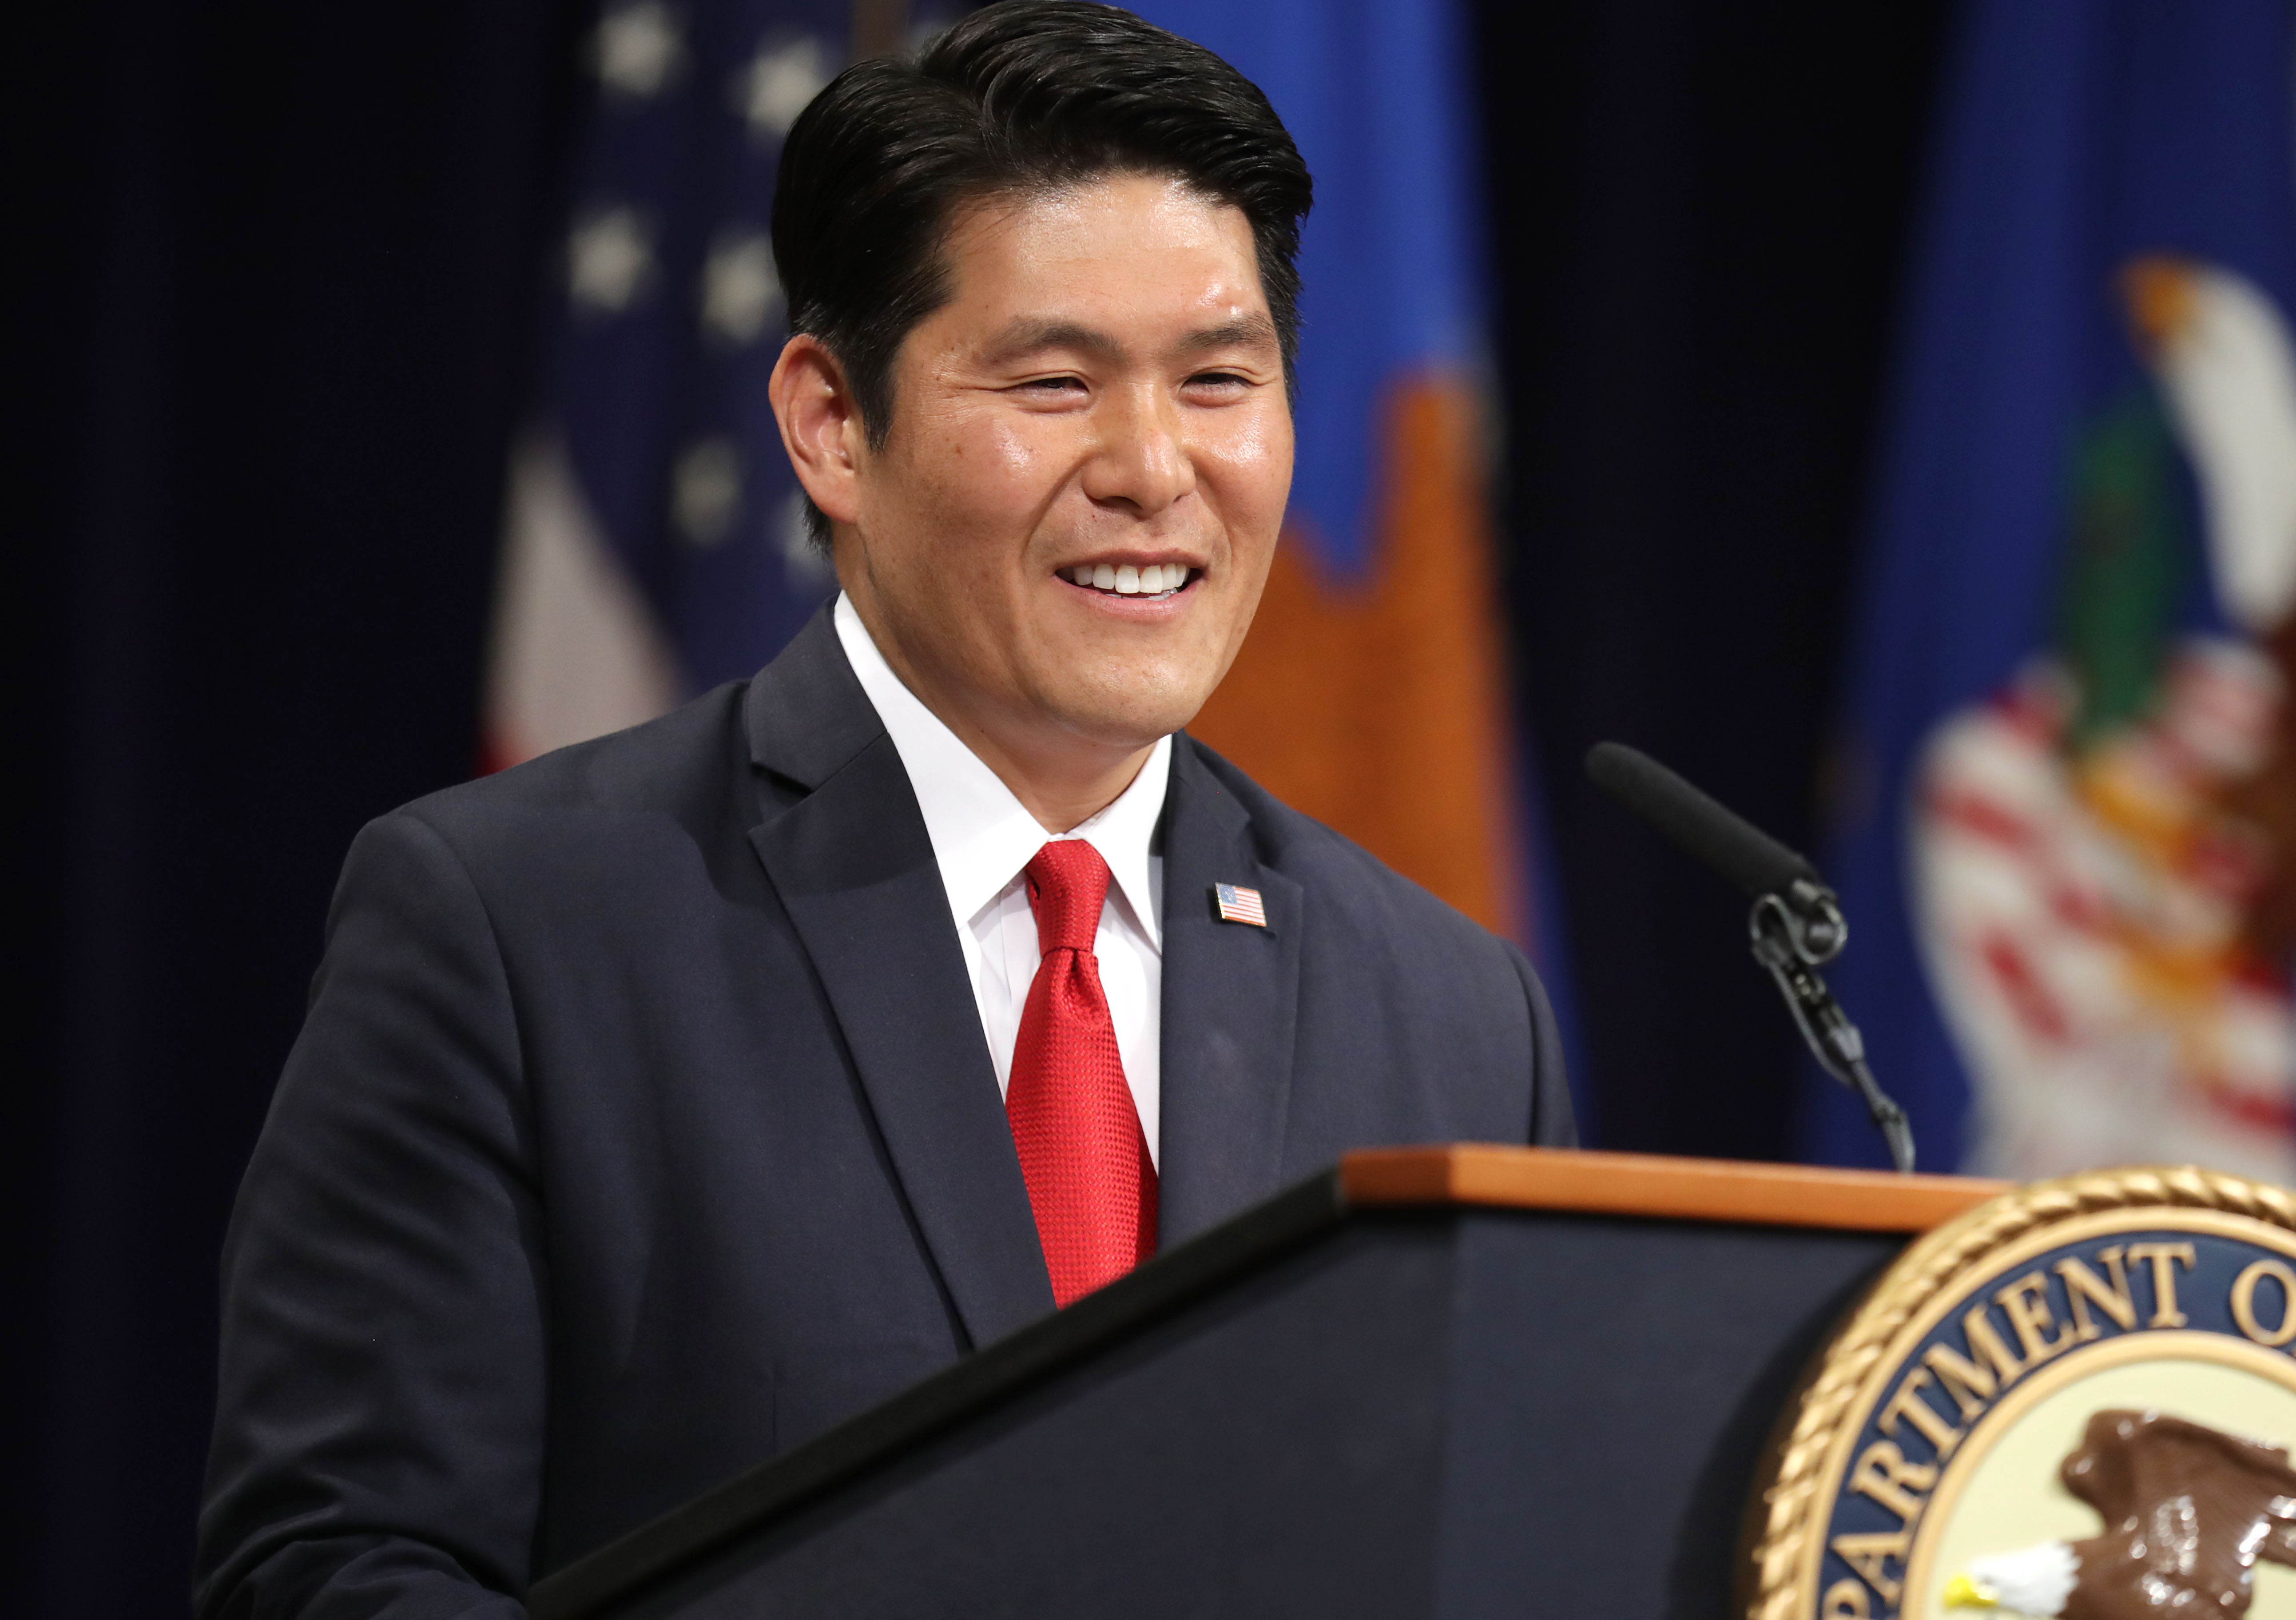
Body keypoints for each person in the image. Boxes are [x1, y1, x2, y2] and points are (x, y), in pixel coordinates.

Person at [194, 5, 1572, 1614]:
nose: (1152, 466)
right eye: (1056, 381)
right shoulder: (515, 928)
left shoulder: (1450, 1013)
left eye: (1218, 380)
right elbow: (337, 1570)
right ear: (833, 425)